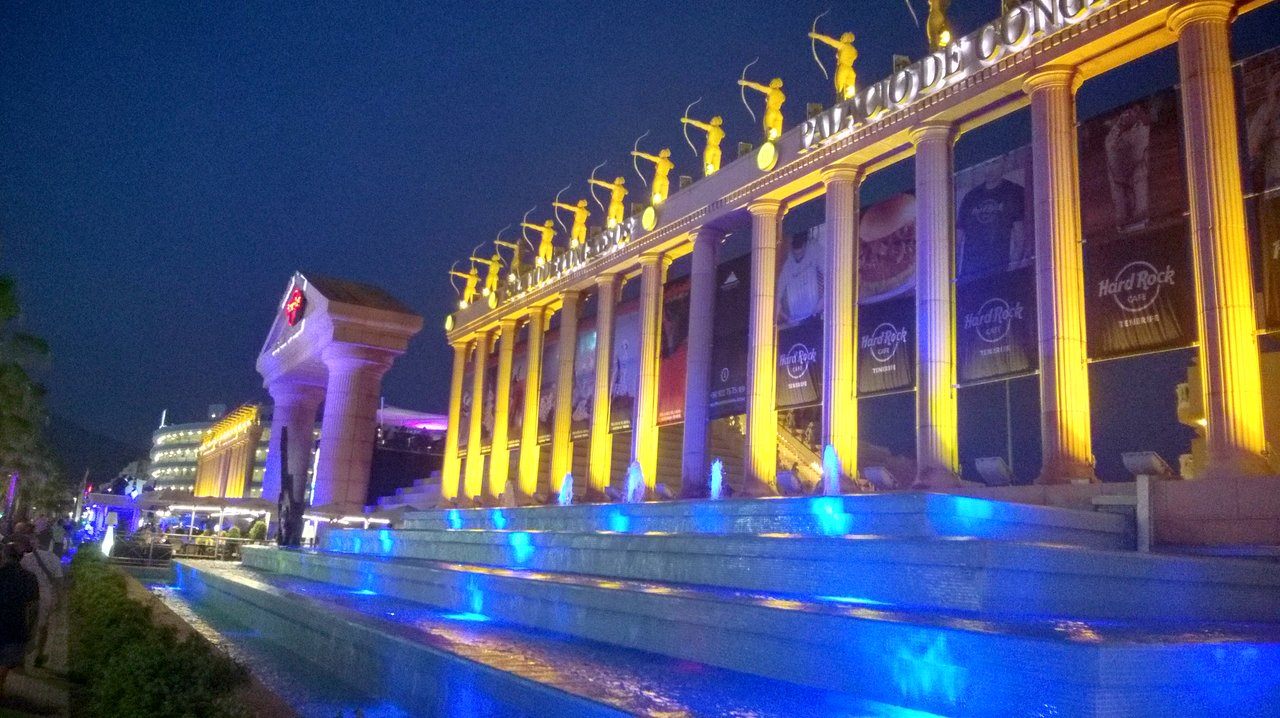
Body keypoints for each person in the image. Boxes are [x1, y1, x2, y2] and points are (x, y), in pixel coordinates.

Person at [957, 154, 1026, 278]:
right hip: (969, 275)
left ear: (1005, 162)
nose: (990, 169)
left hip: (999, 272)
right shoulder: (970, 197)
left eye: (995, 162)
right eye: (986, 164)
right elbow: (957, 240)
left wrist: (1011, 271)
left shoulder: (1014, 192)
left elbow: (1020, 240)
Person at [15, 536, 61, 668]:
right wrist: (59, 599)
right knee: (43, 626)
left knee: (26, 625)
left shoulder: (26, 559)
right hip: (46, 595)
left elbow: (20, 578)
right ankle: (39, 655)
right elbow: (58, 581)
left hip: (29, 595)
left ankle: (21, 658)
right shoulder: (54, 558)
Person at [0, 542, 39, 696]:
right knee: (7, 659)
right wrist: (30, 628)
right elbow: (33, 605)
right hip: (16, 623)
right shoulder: (29, 577)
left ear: (4, 555)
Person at [776, 230, 824, 328]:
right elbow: (778, 293)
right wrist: (786, 318)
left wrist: (822, 302)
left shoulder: (814, 249)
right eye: (795, 254)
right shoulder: (787, 262)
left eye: (800, 253)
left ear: (805, 245)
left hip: (814, 313)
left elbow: (830, 275)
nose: (798, 257)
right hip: (795, 318)